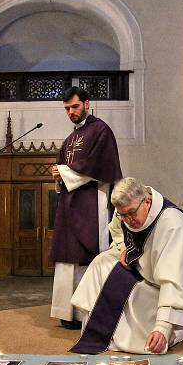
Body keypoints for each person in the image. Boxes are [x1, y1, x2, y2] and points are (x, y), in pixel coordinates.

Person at [70, 177, 183, 354]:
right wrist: (124, 248)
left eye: (131, 213)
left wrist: (162, 327)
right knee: (101, 263)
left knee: (139, 311)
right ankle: (96, 327)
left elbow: (174, 281)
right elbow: (117, 230)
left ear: (147, 201)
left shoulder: (172, 225)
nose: (128, 220)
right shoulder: (126, 209)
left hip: (166, 292)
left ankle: (144, 333)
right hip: (141, 271)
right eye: (123, 215)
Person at [50, 87, 123, 330]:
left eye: (75, 107)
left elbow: (99, 164)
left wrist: (63, 172)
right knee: (67, 254)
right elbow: (63, 165)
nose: (71, 112)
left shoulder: (100, 130)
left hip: (92, 201)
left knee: (86, 255)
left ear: (87, 103)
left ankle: (85, 312)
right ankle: (65, 311)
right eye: (67, 109)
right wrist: (58, 175)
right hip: (70, 204)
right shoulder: (70, 138)